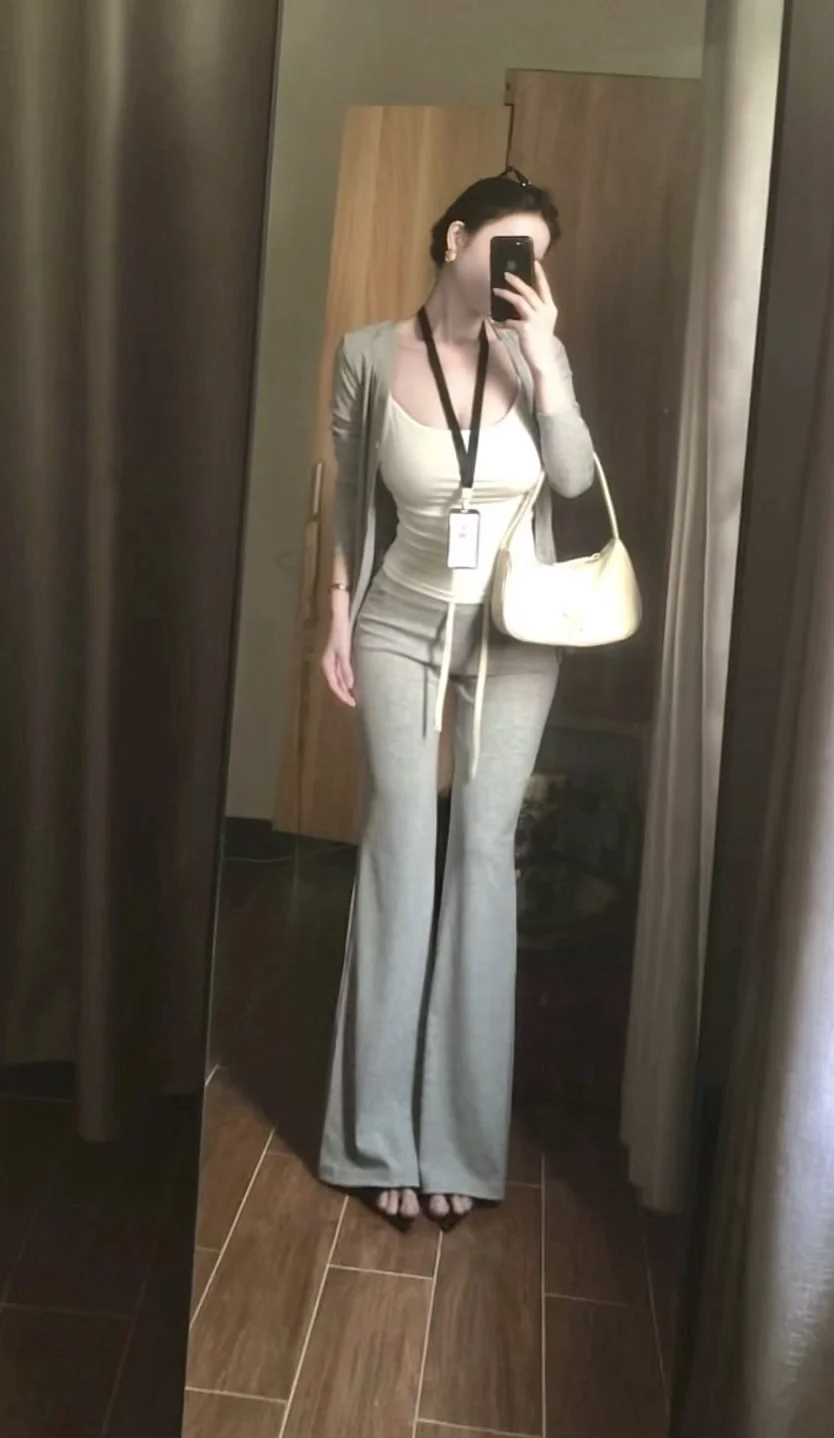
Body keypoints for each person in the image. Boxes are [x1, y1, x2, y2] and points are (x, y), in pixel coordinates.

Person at [317, 168, 595, 1230]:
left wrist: (547, 361)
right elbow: (352, 500)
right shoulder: (367, 354)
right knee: (400, 847)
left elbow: (573, 479)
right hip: (399, 624)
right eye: (508, 248)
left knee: (482, 856)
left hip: (516, 637)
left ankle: (460, 1147)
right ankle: (377, 1136)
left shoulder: (538, 357)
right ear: (454, 239)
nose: (522, 272)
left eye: (538, 260)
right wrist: (335, 615)